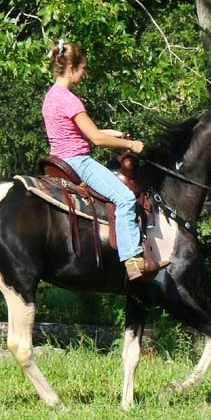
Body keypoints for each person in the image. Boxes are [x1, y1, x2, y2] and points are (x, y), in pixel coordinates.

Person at [42, 39, 167, 280]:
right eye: (83, 68)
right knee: (124, 198)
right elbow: (96, 140)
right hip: (78, 161)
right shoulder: (70, 100)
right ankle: (133, 261)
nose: (84, 73)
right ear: (71, 68)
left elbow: (81, 131)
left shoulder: (51, 97)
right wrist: (132, 145)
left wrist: (112, 134)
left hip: (58, 157)